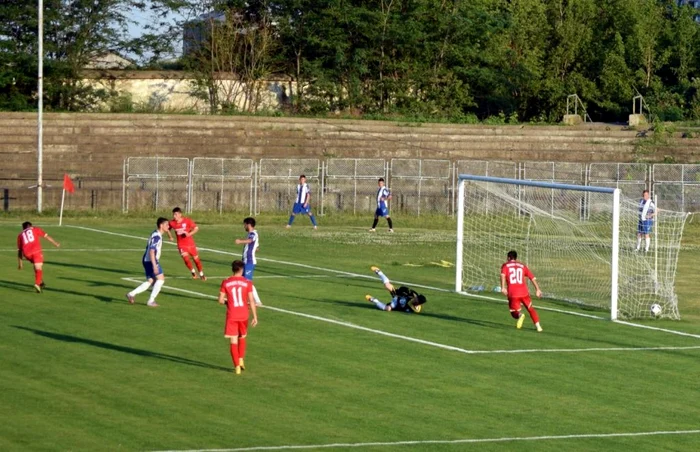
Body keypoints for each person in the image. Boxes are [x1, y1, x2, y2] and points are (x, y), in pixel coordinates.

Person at [219, 260, 259, 375]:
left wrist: (228, 302)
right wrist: (255, 316)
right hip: (244, 314)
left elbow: (220, 300)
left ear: (232, 269)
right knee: (242, 336)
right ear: (242, 270)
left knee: (233, 340)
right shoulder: (247, 283)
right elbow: (251, 300)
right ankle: (241, 359)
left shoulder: (226, 282)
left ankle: (236, 366)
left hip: (232, 314)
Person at [126, 217, 170, 307]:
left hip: (146, 260)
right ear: (161, 226)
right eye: (166, 225)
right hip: (151, 260)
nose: (168, 227)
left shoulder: (155, 233)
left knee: (151, 280)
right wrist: (154, 265)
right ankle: (151, 301)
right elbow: (152, 251)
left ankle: (131, 294)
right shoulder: (157, 237)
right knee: (161, 279)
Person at [500, 250, 543, 332]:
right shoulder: (522, 266)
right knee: (531, 309)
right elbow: (532, 277)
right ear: (516, 258)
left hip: (513, 293)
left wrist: (503, 287)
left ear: (509, 257)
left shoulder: (505, 265)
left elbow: (502, 276)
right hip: (524, 292)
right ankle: (538, 327)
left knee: (514, 312)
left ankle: (520, 315)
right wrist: (537, 289)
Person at [17, 221, 60, 293]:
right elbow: (46, 236)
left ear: (23, 228)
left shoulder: (20, 235)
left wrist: (20, 264)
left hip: (27, 254)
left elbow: (19, 251)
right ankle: (37, 283)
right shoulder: (35, 229)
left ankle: (40, 281)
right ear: (31, 226)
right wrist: (55, 243)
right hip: (36, 251)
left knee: (36, 265)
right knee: (38, 267)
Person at [167, 207, 206, 280]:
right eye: (173, 215)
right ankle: (193, 272)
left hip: (191, 244)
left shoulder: (187, 221)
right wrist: (170, 236)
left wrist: (189, 234)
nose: (174, 216)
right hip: (181, 245)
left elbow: (196, 228)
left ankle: (201, 273)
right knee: (186, 259)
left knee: (196, 260)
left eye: (175, 214)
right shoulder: (172, 223)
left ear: (180, 214)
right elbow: (167, 229)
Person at [235, 217, 263, 306]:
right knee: (242, 280)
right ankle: (240, 298)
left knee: (247, 281)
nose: (244, 226)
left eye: (245, 224)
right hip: (246, 261)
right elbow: (257, 247)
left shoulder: (253, 234)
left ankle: (257, 301)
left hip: (249, 261)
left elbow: (250, 240)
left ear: (248, 225)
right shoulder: (252, 234)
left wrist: (240, 241)